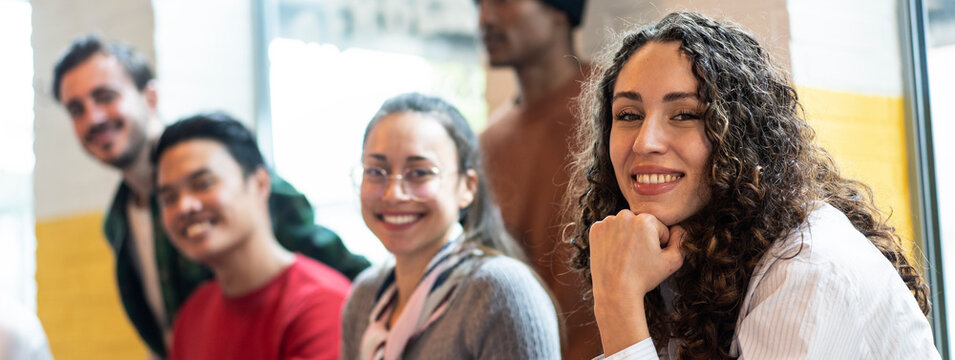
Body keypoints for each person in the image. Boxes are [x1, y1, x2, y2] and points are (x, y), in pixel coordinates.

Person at [567, 12, 940, 359]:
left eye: (685, 115)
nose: (645, 141)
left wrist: (618, 305)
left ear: (740, 137)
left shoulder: (806, 273)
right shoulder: (685, 255)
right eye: (629, 115)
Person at [52, 35, 369, 357]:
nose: (93, 118)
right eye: (76, 109)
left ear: (149, 97)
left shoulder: (235, 173)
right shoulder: (118, 223)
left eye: (105, 96)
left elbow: (350, 280)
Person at [341, 93, 561, 359]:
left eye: (420, 172)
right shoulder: (366, 295)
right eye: (376, 171)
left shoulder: (500, 291)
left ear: (467, 187)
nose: (393, 194)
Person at [154, 113, 350, 360]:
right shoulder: (192, 314)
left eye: (203, 184)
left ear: (260, 184)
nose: (185, 206)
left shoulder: (319, 304)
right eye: (169, 198)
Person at [476, 0, 599, 357]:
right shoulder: (486, 144)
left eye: (501, 2)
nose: (485, 18)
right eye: (478, 5)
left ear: (560, 10)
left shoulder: (620, 109)